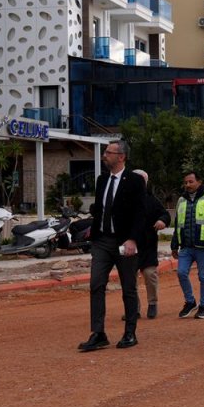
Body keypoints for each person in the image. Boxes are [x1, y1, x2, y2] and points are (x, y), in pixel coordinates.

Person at [78, 140, 146, 352]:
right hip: (102, 241)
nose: (104, 155)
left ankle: (130, 332)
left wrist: (133, 239)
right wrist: (93, 230)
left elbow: (140, 213)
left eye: (109, 152)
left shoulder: (135, 181)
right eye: (105, 152)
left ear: (121, 157)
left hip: (124, 241)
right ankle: (98, 333)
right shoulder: (102, 180)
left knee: (128, 287)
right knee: (96, 284)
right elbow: (100, 208)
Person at [171, 171, 204, 320]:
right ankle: (190, 301)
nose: (187, 185)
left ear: (199, 182)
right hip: (186, 246)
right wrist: (174, 245)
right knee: (181, 273)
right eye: (186, 182)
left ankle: (203, 306)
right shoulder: (181, 200)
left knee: (203, 277)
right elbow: (178, 224)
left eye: (191, 182)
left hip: (203, 246)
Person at [130, 169, 171, 320]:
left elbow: (165, 214)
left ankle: (152, 303)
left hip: (147, 245)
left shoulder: (152, 200)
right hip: (127, 245)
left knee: (149, 275)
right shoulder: (123, 199)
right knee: (128, 278)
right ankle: (133, 308)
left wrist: (162, 221)